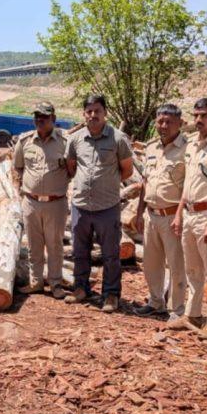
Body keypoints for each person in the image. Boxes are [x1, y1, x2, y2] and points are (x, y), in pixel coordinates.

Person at [168, 97, 207, 335]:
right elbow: (188, 184)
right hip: (189, 214)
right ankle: (193, 315)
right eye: (196, 115)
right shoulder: (192, 145)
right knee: (192, 269)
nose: (199, 120)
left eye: (204, 116)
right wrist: (178, 214)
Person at [65, 93, 134, 313]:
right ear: (84, 114)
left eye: (97, 111)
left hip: (107, 207)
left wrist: (107, 184)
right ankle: (81, 288)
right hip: (81, 206)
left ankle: (111, 295)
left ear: (105, 113)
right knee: (80, 251)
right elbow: (71, 167)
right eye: (89, 111)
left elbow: (127, 170)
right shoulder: (75, 139)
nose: (93, 115)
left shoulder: (118, 138)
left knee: (111, 254)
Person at [135, 103, 187, 324]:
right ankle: (156, 302)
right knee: (151, 262)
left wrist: (180, 215)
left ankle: (177, 308)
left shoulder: (187, 148)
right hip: (151, 214)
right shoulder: (151, 147)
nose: (164, 126)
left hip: (172, 214)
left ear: (180, 124)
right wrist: (139, 213)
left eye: (169, 122)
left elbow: (188, 186)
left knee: (176, 264)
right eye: (160, 121)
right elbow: (145, 182)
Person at [12, 102, 70, 299]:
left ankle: (55, 283)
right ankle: (36, 282)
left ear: (53, 119)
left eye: (44, 117)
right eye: (37, 116)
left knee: (55, 245)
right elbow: (18, 167)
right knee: (34, 245)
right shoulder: (25, 141)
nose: (40, 120)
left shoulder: (65, 141)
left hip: (56, 202)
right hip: (31, 202)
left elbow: (73, 169)